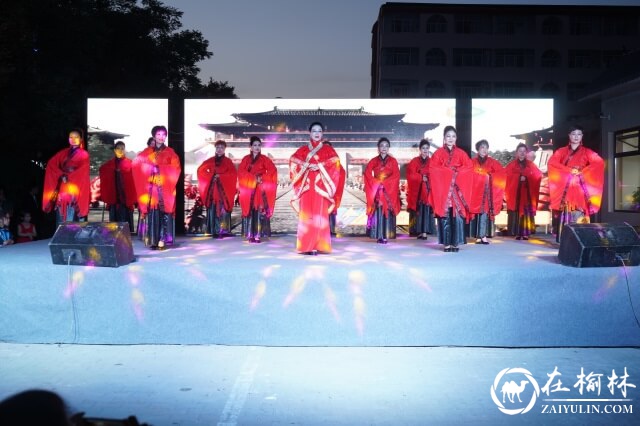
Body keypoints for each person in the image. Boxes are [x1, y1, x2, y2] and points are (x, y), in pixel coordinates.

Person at [289, 121, 342, 254]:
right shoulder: (303, 150)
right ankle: (305, 246)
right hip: (306, 186)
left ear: (322, 133)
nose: (317, 133)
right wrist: (307, 165)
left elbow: (335, 163)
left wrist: (320, 166)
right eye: (314, 131)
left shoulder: (328, 150)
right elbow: (293, 161)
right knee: (307, 216)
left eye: (319, 131)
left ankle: (319, 245)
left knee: (319, 216)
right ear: (310, 133)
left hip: (320, 186)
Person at [547, 125, 604, 242]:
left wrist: (583, 172)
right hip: (566, 189)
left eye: (579, 134)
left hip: (579, 189)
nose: (576, 137)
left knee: (580, 211)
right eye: (573, 134)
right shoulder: (561, 151)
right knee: (566, 211)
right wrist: (568, 170)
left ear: (582, 136)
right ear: (569, 136)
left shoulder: (587, 152)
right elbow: (552, 163)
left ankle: (581, 239)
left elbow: (599, 163)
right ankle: (565, 240)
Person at [133, 125, 181, 249]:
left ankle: (162, 240)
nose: (161, 137)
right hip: (151, 190)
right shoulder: (147, 152)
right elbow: (136, 164)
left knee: (163, 213)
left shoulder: (170, 152)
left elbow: (176, 168)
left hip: (165, 188)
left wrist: (159, 169)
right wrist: (148, 168)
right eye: (158, 134)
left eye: (163, 134)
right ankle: (153, 240)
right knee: (153, 213)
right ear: (154, 136)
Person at [430, 126, 473, 252]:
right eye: (448, 136)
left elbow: (469, 167)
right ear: (444, 138)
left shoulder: (461, 153)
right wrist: (449, 173)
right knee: (446, 215)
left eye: (453, 136)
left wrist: (457, 173)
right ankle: (446, 243)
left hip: (457, 190)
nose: (450, 138)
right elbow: (433, 169)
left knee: (457, 216)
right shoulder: (438, 153)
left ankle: (455, 243)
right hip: (444, 189)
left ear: (456, 138)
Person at [42, 128, 90, 225]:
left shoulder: (84, 154)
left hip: (73, 186)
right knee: (60, 208)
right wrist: (60, 174)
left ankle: (70, 236)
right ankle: (60, 235)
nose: (73, 139)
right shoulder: (63, 153)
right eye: (71, 137)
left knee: (71, 209)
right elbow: (51, 164)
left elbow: (83, 171)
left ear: (81, 139)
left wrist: (68, 177)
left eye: (76, 137)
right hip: (62, 185)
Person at [197, 140, 237, 239]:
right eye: (218, 148)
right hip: (213, 190)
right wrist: (211, 176)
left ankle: (224, 230)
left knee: (223, 209)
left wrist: (221, 176)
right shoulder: (210, 160)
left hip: (224, 191)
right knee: (213, 208)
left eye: (222, 148)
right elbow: (200, 170)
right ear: (215, 149)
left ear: (224, 149)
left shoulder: (228, 161)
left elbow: (233, 174)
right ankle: (214, 230)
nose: (219, 150)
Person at [469, 139, 506, 244]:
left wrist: (490, 176)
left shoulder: (492, 162)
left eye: (486, 147)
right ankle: (477, 236)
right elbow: (468, 175)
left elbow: (501, 173)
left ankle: (483, 235)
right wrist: (479, 177)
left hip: (487, 193)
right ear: (477, 149)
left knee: (485, 213)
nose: (484, 150)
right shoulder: (472, 162)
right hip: (476, 192)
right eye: (482, 147)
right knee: (477, 213)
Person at [364, 137, 401, 244]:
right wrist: (376, 182)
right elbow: (367, 173)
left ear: (389, 148)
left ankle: (385, 235)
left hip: (388, 191)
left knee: (387, 211)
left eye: (386, 146)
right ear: (378, 148)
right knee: (378, 211)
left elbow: (396, 175)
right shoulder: (373, 161)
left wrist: (385, 183)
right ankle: (378, 234)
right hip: (377, 190)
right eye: (381, 146)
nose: (384, 148)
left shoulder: (393, 161)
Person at [505, 143, 543, 240]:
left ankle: (526, 233)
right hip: (516, 193)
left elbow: (538, 175)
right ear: (516, 153)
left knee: (526, 211)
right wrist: (518, 178)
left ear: (526, 153)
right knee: (516, 210)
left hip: (526, 193)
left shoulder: (531, 165)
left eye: (524, 151)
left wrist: (527, 177)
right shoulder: (511, 165)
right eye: (520, 151)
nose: (522, 153)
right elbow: (506, 177)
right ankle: (516, 232)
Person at [99, 140, 137, 232]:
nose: (120, 150)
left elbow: (134, 179)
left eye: (122, 149)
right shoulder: (109, 165)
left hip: (125, 196)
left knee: (126, 219)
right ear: (114, 150)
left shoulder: (131, 164)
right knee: (114, 222)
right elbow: (102, 170)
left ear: (125, 150)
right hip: (114, 196)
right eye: (118, 148)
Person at [406, 138, 435, 240]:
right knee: (419, 211)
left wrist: (427, 178)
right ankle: (417, 231)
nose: (425, 150)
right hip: (417, 191)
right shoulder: (414, 161)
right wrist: (421, 177)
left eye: (427, 148)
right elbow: (410, 175)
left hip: (427, 192)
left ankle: (425, 232)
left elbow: (435, 175)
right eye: (423, 148)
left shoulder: (432, 162)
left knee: (426, 211)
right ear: (420, 149)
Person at [324, 141, 346, 236]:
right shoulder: (318, 161)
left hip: (333, 191)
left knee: (332, 211)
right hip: (322, 191)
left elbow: (342, 172)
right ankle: (322, 231)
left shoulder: (336, 162)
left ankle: (332, 230)